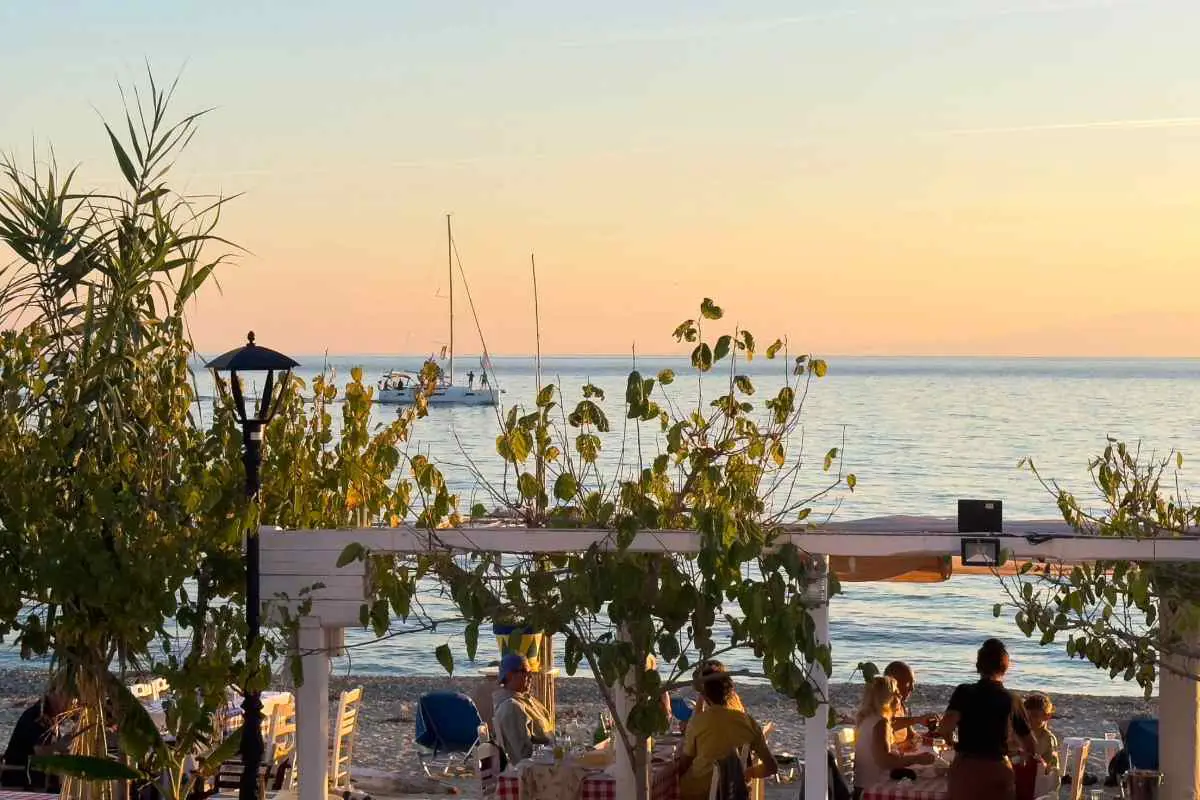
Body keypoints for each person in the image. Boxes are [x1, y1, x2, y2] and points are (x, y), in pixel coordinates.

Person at [937, 639, 1037, 800]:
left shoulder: (964, 692)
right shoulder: (1012, 700)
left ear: (978, 666)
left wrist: (952, 743)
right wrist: (1022, 757)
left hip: (966, 769)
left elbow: (945, 728)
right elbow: (1030, 745)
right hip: (997, 770)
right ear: (1005, 667)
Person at [676, 663, 776, 800]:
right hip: (733, 791)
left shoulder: (698, 722)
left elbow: (685, 763)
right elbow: (771, 767)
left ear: (705, 695)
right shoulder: (748, 722)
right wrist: (748, 773)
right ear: (730, 692)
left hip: (697, 793)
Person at [853, 675, 935, 791]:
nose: (900, 696)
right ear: (886, 698)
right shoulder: (880, 723)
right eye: (896, 692)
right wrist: (917, 759)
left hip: (862, 786)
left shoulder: (867, 719)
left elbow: (877, 750)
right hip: (873, 791)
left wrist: (898, 749)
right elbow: (885, 761)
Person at [491, 654, 553, 765]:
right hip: (539, 769)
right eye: (525, 671)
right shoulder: (511, 707)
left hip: (551, 759)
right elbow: (523, 755)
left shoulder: (527, 700)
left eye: (531, 671)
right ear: (509, 676)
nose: (530, 676)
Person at [2, 691, 70, 790]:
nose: (69, 704)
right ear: (55, 696)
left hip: (31, 773)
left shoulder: (49, 716)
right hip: (22, 776)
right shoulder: (38, 717)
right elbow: (40, 751)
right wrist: (59, 746)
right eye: (67, 698)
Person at [883, 661, 940, 748]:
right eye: (908, 683)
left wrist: (933, 736)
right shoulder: (882, 706)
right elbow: (887, 724)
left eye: (913, 683)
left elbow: (911, 735)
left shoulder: (901, 706)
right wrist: (918, 719)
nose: (912, 688)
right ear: (894, 683)